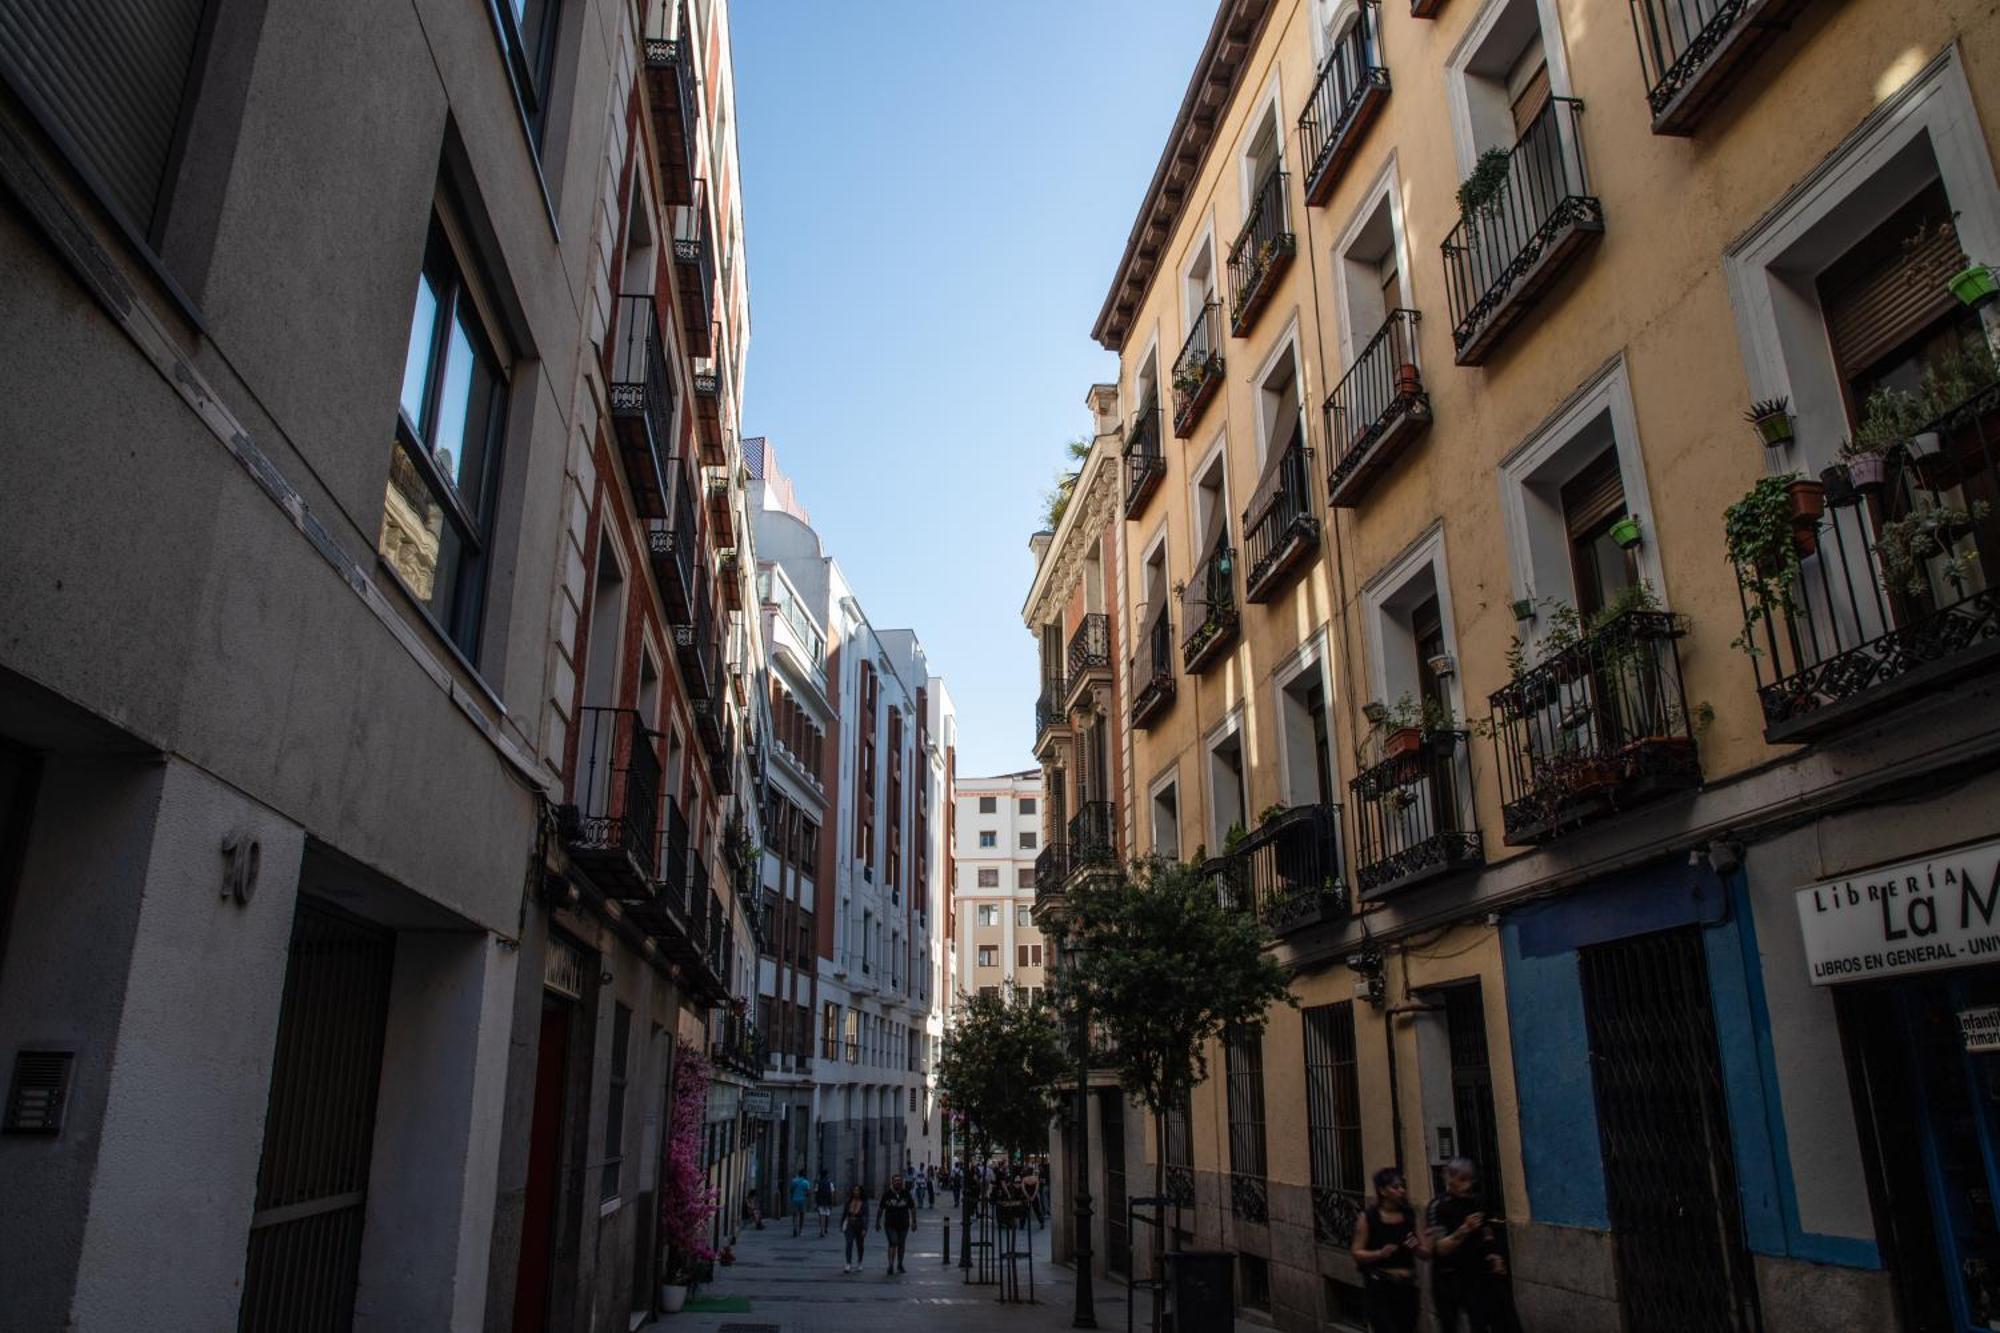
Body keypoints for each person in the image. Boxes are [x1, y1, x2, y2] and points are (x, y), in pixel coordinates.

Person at [1424, 1158, 1522, 1333]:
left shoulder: (1476, 1202)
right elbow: (1439, 1248)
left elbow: (1486, 1231)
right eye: (1462, 1180)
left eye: (1470, 1180)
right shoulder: (1438, 1206)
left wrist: (1494, 1254)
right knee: (1450, 1324)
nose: (1467, 1185)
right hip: (1448, 1276)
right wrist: (1464, 1230)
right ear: (1449, 1179)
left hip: (1474, 1274)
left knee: (1482, 1321)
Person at [1352, 1167, 1423, 1333]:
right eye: (1396, 1187)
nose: (1401, 1191)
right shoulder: (1369, 1218)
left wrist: (1416, 1246)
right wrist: (1379, 1253)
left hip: (1407, 1288)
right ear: (1383, 1191)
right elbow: (1356, 1252)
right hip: (1380, 1288)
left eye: (1402, 1187)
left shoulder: (1409, 1215)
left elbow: (1425, 1252)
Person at [878, 1172, 917, 1274]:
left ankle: (900, 1263)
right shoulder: (887, 1195)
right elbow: (881, 1208)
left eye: (899, 1181)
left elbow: (912, 1208)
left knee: (901, 1244)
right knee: (893, 1242)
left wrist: (914, 1222)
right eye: (895, 1181)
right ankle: (891, 1264)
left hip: (904, 1224)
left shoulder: (906, 1193)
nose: (897, 1183)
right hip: (890, 1224)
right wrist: (878, 1221)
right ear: (892, 1182)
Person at [840, 1185, 871, 1274]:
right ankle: (848, 1263)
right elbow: (844, 1213)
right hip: (849, 1224)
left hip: (859, 1224)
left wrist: (865, 1228)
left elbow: (866, 1216)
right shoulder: (848, 1201)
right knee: (849, 1243)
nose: (856, 1192)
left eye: (857, 1190)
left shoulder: (864, 1202)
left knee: (860, 1245)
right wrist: (842, 1224)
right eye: (854, 1190)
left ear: (860, 1192)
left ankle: (859, 1262)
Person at [788, 1168, 812, 1237]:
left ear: (799, 1174)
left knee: (795, 1215)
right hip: (803, 1200)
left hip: (795, 1200)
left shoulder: (794, 1181)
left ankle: (795, 1227)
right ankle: (800, 1230)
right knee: (802, 1215)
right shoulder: (806, 1182)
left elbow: (791, 1190)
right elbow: (808, 1192)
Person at [1022, 1163, 1043, 1229]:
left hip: (1026, 1196)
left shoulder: (1024, 1179)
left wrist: (1027, 1196)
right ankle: (1041, 1223)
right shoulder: (1036, 1179)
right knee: (1037, 1210)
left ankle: (1021, 1225)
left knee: (1024, 1210)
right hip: (1034, 1196)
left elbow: (1023, 1189)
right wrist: (1033, 1196)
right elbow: (1036, 1189)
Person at [816, 1172, 835, 1238]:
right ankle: (825, 1228)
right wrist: (832, 1202)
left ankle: (822, 1230)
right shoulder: (830, 1183)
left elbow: (816, 1192)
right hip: (828, 1201)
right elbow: (832, 1193)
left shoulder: (818, 1183)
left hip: (821, 1201)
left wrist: (816, 1202)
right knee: (827, 1215)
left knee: (821, 1216)